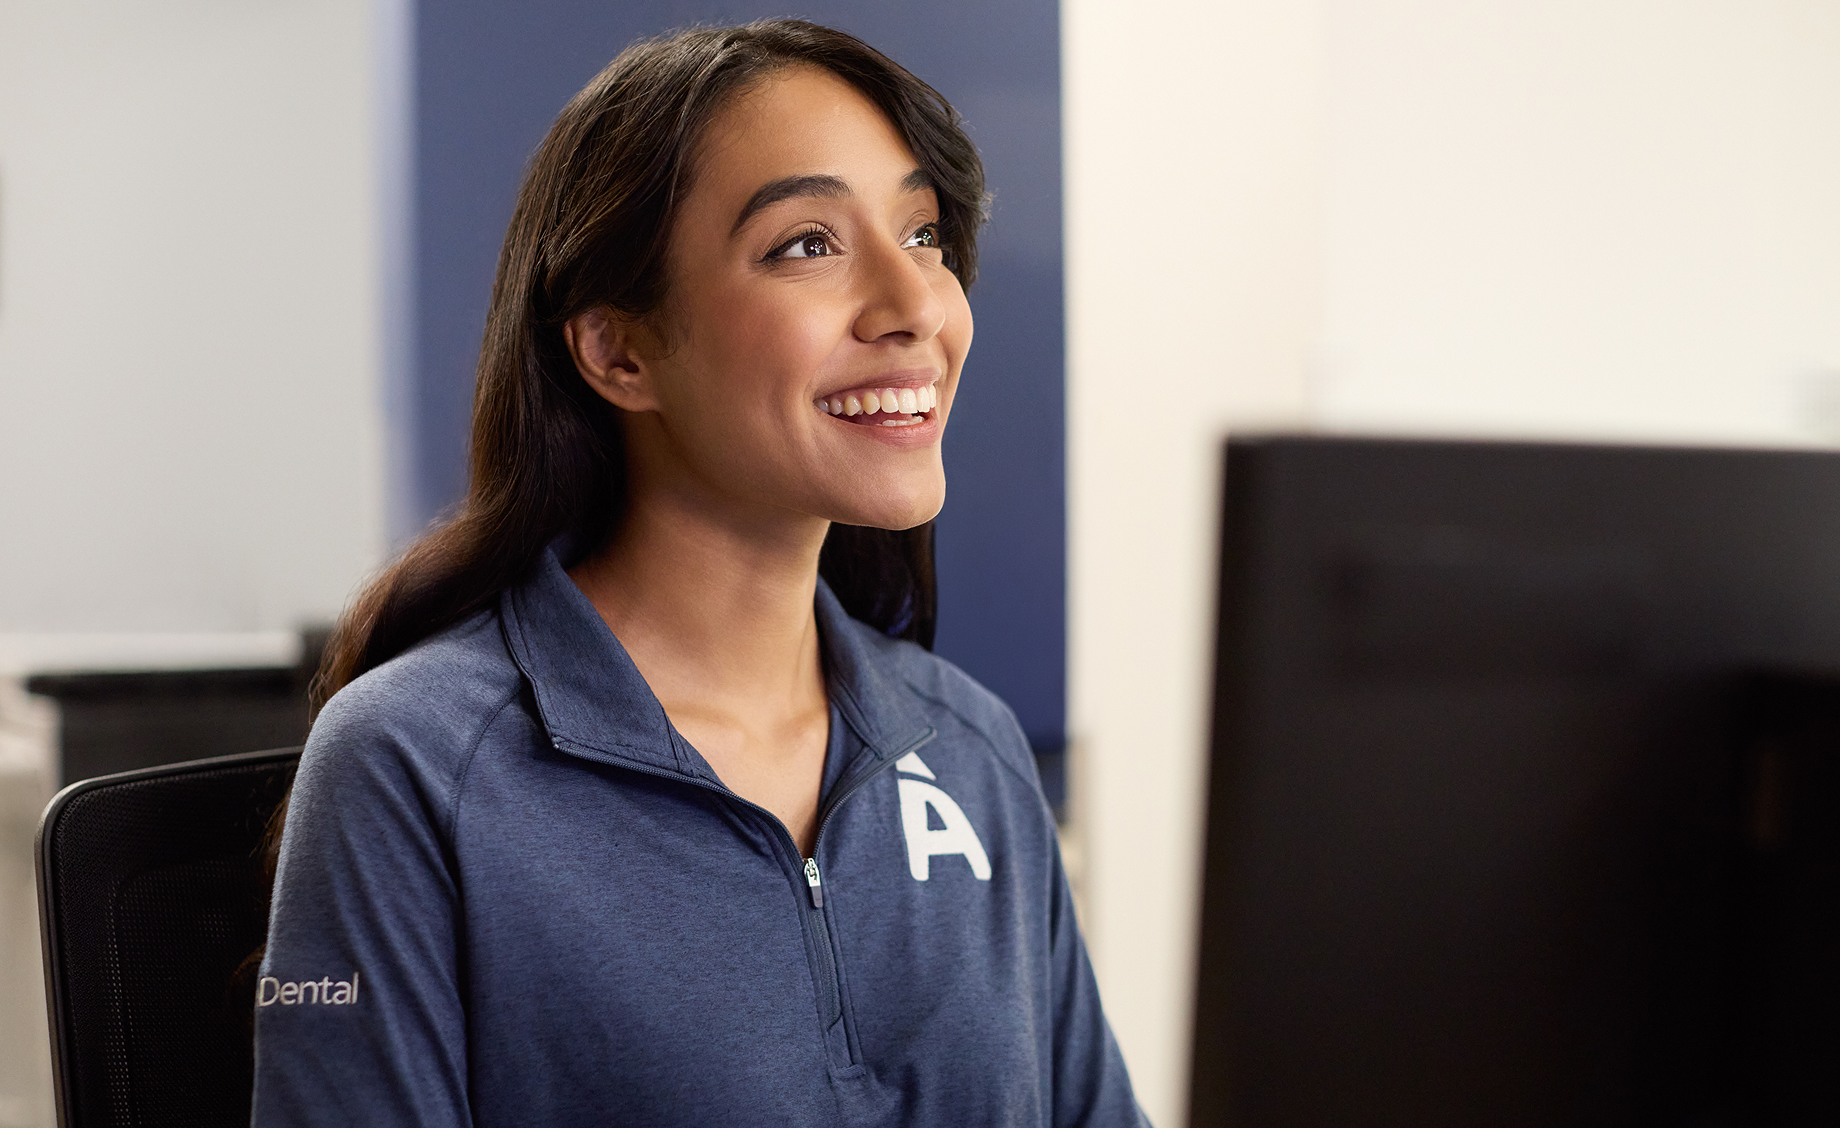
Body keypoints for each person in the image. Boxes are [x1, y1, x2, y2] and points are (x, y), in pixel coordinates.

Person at [252, 19, 1144, 1127]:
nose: (917, 307)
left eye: (923, 234)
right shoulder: (416, 766)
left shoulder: (969, 749)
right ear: (620, 351)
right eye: (807, 244)